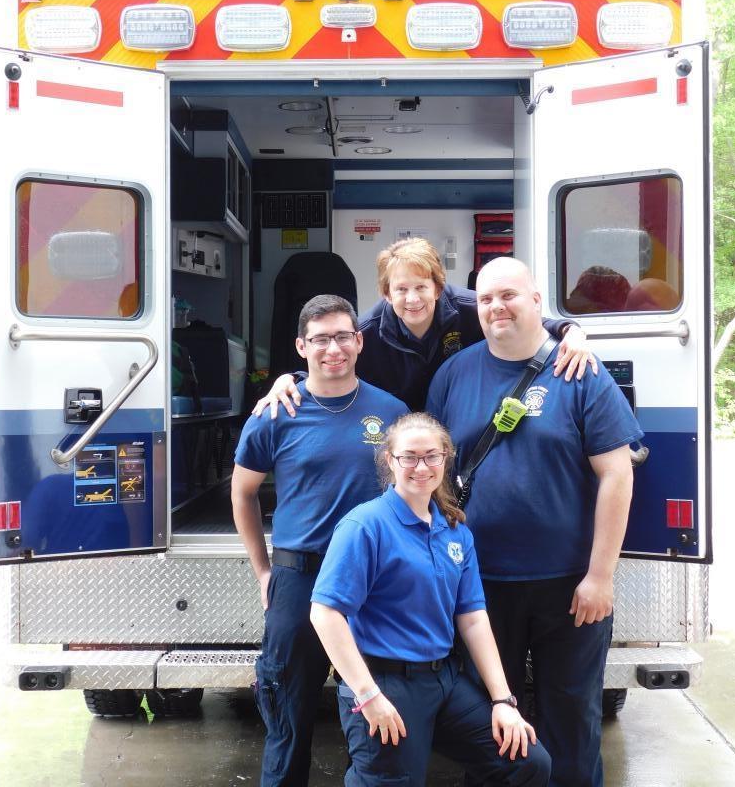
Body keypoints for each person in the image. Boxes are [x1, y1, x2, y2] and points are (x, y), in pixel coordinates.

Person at [426, 257, 643, 787]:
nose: (496, 306)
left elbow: (617, 475)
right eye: (485, 299)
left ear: (537, 303)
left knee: (571, 719)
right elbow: (433, 471)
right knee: (490, 721)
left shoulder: (578, 371)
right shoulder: (454, 373)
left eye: (508, 295)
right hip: (478, 586)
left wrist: (601, 576)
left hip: (569, 587)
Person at [310, 412, 551, 787]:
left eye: (431, 456)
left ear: (445, 458)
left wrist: (503, 701)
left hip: (444, 682)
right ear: (390, 460)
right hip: (385, 684)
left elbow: (472, 618)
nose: (421, 467)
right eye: (409, 456)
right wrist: (368, 695)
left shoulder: (453, 530)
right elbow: (325, 614)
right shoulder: (365, 526)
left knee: (526, 762)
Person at [231, 294, 408, 787]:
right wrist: (264, 570)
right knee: (288, 715)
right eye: (321, 339)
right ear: (301, 346)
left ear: (359, 341)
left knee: (375, 716)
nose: (334, 348)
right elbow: (242, 494)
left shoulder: (390, 412)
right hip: (299, 576)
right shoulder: (276, 413)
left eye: (343, 336)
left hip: (373, 581)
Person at [255, 237, 595, 417]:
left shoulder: (469, 308)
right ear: (386, 293)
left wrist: (570, 330)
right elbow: (332, 363)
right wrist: (291, 380)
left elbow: (522, 318)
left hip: (465, 421)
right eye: (401, 289)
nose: (412, 298)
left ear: (438, 285)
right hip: (400, 432)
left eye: (421, 286)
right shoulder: (367, 332)